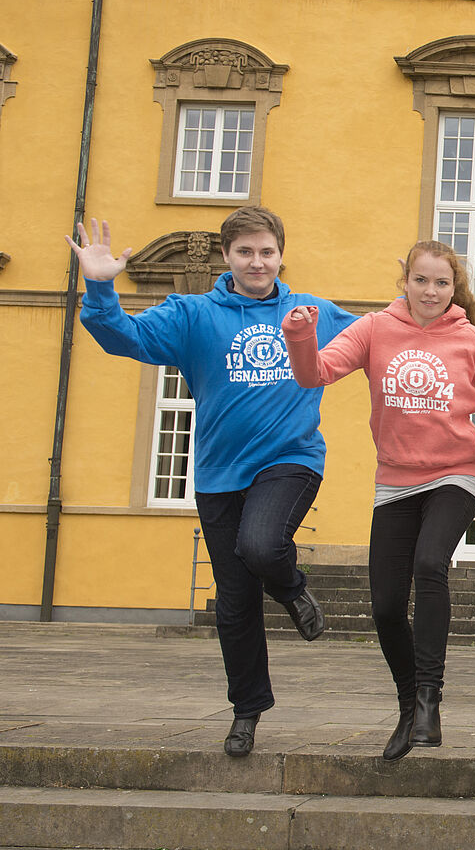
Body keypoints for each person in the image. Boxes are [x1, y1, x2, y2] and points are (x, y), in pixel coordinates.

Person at [67, 208, 359, 757]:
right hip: (219, 474)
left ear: (281, 255)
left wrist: (443, 318)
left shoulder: (310, 312)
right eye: (245, 252)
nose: (257, 262)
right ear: (227, 256)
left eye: (267, 251)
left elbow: (381, 338)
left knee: (262, 545)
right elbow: (121, 336)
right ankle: (247, 711)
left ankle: (291, 588)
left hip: (290, 458)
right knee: (234, 600)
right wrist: (100, 286)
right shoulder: (192, 314)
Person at [282, 240, 475, 761]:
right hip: (395, 481)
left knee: (430, 563)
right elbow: (314, 373)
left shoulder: (472, 339)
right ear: (406, 281)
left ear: (454, 287)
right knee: (387, 605)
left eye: (441, 282)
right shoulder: (374, 329)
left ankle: (430, 697)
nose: (431, 291)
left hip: (456, 474)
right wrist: (300, 335)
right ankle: (407, 703)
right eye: (421, 280)